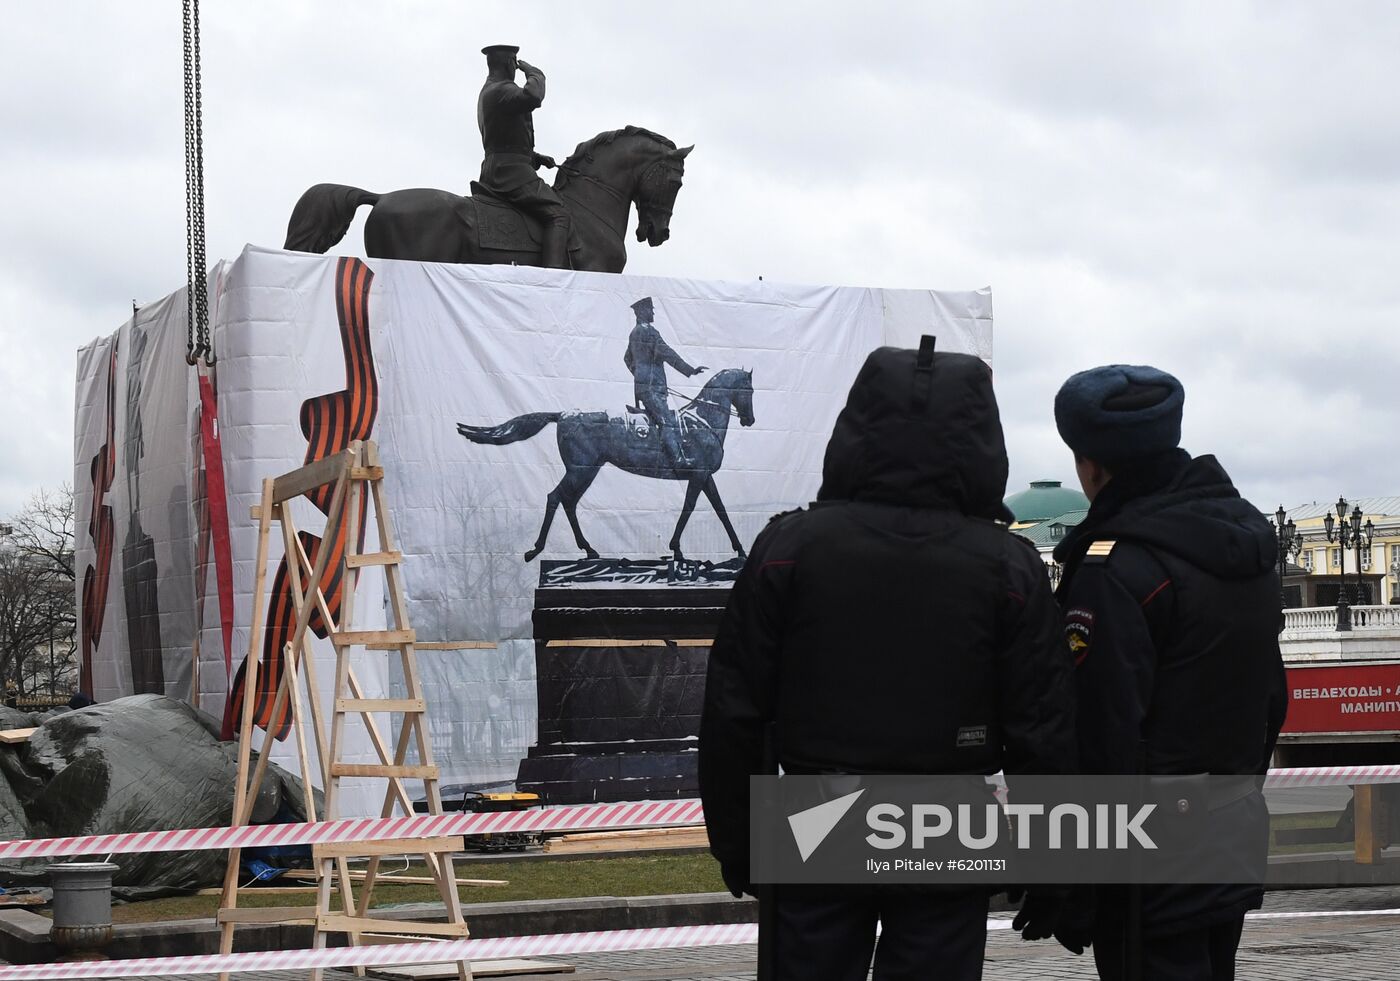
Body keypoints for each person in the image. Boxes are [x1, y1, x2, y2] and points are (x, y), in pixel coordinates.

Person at [699, 340, 1077, 981]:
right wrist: (1050, 866)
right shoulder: (1005, 565)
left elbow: (735, 712)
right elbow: (1043, 730)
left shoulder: (791, 547)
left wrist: (738, 842)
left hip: (817, 805)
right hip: (949, 816)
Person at [1046, 364, 1288, 981]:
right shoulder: (1246, 543)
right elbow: (1272, 698)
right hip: (1231, 827)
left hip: (1145, 855)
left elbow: (1102, 736)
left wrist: (1077, 878)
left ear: (1091, 466)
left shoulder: (1115, 566)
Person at [476, 44, 571, 268]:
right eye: (515, 62)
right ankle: (553, 278)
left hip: (503, 166)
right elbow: (533, 96)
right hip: (509, 173)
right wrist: (535, 73)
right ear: (511, 63)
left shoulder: (489, 91)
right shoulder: (500, 90)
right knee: (559, 215)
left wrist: (534, 157)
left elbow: (502, 137)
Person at [623, 296, 707, 472]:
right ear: (642, 311)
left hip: (644, 387)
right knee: (667, 420)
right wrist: (690, 370)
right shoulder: (649, 332)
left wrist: (639, 374)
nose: (652, 312)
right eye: (650, 309)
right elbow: (668, 353)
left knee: (661, 420)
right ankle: (677, 460)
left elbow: (627, 358)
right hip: (653, 387)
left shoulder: (634, 333)